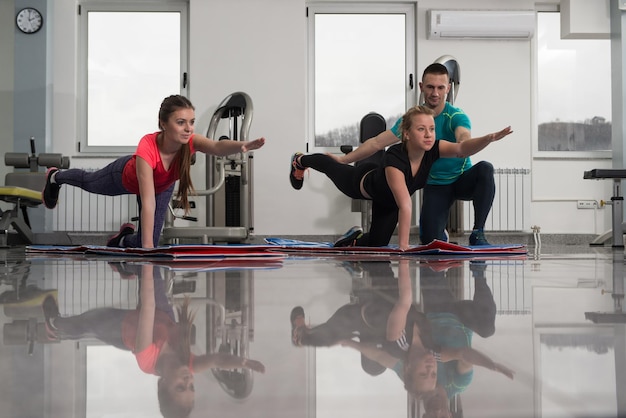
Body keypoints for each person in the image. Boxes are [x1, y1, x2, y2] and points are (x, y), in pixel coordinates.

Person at [42, 263, 266, 418]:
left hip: (122, 328)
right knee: (153, 268)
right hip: (162, 315)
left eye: (180, 387)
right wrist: (244, 363)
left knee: (87, 322)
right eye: (191, 387)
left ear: (163, 384)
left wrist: (144, 266)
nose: (188, 380)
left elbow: (147, 305)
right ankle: (129, 248)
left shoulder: (146, 358)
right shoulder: (189, 364)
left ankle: (55, 325)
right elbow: (217, 360)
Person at [41, 94, 266, 248]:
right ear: (163, 124)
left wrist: (241, 146)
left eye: (191, 122)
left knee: (146, 241)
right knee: (89, 182)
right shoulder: (147, 148)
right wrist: (148, 255)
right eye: (181, 122)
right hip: (123, 177)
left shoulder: (190, 142)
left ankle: (122, 239)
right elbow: (147, 203)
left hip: (162, 188)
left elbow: (217, 147)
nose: (188, 128)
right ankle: (55, 176)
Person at [289, 105, 511, 250]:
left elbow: (462, 148)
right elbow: (405, 205)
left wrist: (488, 138)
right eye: (421, 129)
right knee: (331, 164)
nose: (428, 135)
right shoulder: (395, 157)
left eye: (432, 129)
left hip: (389, 201)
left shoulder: (433, 149)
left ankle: (351, 239)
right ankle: (300, 161)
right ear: (406, 134)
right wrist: (403, 248)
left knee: (378, 243)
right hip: (361, 182)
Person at [326, 63, 499, 246]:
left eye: (441, 88)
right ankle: (438, 232)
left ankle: (478, 232)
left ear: (448, 88)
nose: (435, 93)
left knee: (485, 169)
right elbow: (377, 142)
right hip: (436, 186)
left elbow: (463, 140)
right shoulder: (412, 121)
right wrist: (344, 159)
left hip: (461, 178)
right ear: (421, 87)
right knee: (430, 241)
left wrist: (485, 139)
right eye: (430, 87)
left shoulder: (455, 116)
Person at [290, 259, 440, 399]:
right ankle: (362, 245)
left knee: (332, 334)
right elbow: (455, 354)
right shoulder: (432, 349)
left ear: (408, 368)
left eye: (423, 374)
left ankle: (302, 335)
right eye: (433, 374)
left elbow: (404, 302)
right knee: (379, 263)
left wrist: (404, 256)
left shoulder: (398, 344)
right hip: (385, 299)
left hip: (359, 316)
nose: (430, 368)